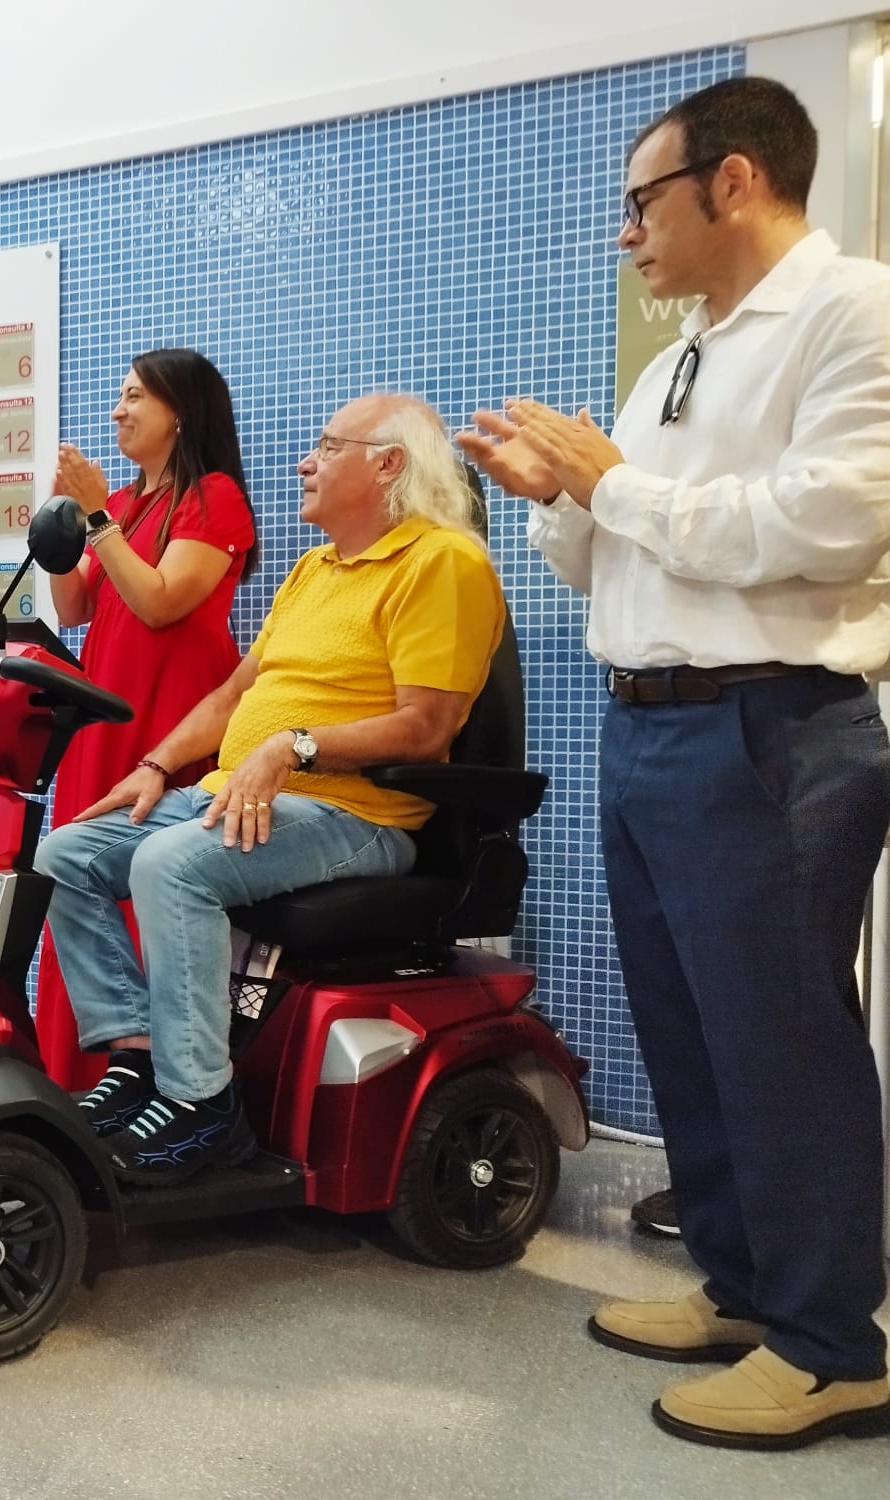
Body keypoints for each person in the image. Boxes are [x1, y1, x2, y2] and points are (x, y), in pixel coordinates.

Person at [460, 76, 890, 1449]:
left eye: (641, 200)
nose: (626, 233)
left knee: (782, 1040)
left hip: (773, 727)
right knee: (695, 1034)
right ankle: (747, 1289)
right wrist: (557, 499)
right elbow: (617, 541)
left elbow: (824, 528)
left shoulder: (855, 315)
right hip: (646, 722)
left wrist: (613, 484)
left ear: (738, 180)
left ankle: (834, 1344)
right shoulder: (677, 355)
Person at [38, 394, 502, 1184]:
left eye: (326, 447)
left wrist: (296, 747)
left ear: (388, 465)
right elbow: (229, 698)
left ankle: (204, 1107)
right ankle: (143, 1055)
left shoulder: (443, 562)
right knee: (66, 854)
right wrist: (153, 766)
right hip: (241, 796)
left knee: (169, 865)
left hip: (357, 814)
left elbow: (427, 726)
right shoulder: (312, 570)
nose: (303, 463)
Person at [35, 349, 257, 1092]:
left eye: (135, 397)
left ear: (180, 412)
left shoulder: (214, 496)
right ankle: (79, 1075)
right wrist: (62, 528)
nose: (117, 411)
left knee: (149, 883)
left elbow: (162, 599)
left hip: (171, 717)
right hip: (103, 714)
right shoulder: (126, 504)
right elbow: (74, 609)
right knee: (76, 870)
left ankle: (157, 1082)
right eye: (119, 396)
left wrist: (97, 517)